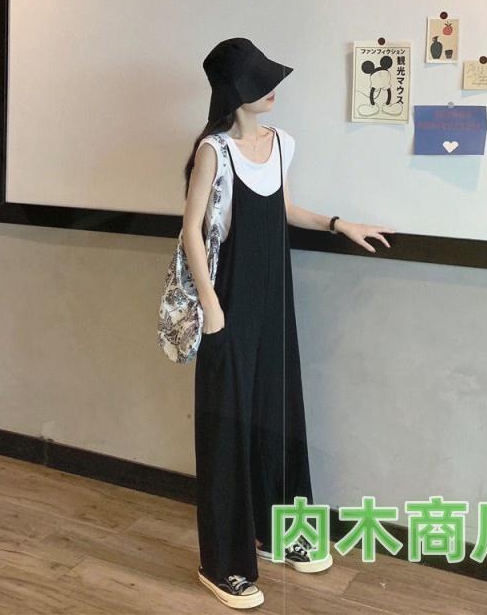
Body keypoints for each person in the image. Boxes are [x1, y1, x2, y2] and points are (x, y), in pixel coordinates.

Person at [182, 37, 395, 609]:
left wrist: (337, 223)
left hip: (275, 301)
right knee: (227, 429)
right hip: (228, 305)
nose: (272, 88)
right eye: (259, 80)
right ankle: (222, 565)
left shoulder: (281, 144)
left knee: (277, 415)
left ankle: (279, 533)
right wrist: (212, 307)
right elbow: (191, 230)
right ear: (235, 91)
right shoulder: (214, 151)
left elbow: (281, 207)